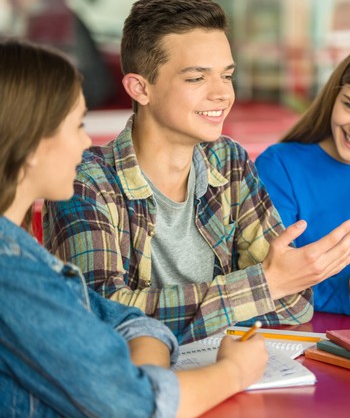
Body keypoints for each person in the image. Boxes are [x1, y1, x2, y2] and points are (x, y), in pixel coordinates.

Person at [43, 0, 350, 345]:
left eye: (227, 75)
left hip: (228, 375)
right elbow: (99, 313)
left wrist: (268, 285)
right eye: (196, 78)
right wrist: (261, 285)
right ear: (140, 88)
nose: (222, 94)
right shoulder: (84, 179)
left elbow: (294, 301)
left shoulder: (229, 161)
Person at [0, 39, 269, 418]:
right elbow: (134, 406)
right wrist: (235, 370)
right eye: (77, 125)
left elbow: (120, 317)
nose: (84, 141)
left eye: (227, 75)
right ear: (29, 144)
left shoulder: (21, 253)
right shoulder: (13, 273)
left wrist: (145, 372)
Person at [255, 55, 350, 315]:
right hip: (300, 334)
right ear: (334, 98)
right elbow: (268, 279)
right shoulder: (281, 165)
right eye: (349, 105)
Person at [1, 0, 115, 110]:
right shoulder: (46, 11)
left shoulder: (55, 15)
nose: (12, 3)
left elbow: (55, 65)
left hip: (85, 90)